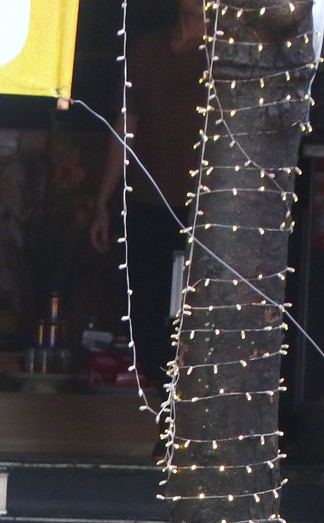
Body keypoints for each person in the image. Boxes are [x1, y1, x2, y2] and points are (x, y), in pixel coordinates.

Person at [87, 0, 208, 379]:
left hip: (206, 210)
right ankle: (157, 407)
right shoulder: (147, 50)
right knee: (147, 312)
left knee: (195, 317)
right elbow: (126, 127)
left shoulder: (227, 56)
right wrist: (103, 200)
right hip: (149, 200)